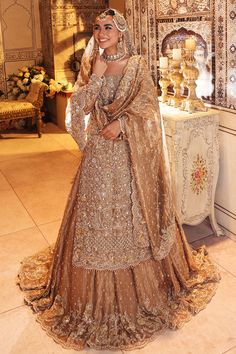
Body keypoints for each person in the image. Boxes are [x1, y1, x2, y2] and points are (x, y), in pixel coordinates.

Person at [17, 8, 220, 351]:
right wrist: (95, 77)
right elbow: (78, 107)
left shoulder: (138, 65)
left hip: (128, 159)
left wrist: (123, 125)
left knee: (130, 218)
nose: (100, 32)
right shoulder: (89, 64)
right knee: (95, 219)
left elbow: (147, 111)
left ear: (121, 32)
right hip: (98, 156)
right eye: (97, 27)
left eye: (108, 27)